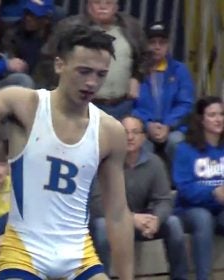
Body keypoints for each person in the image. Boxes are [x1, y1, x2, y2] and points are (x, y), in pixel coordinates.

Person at [0, 22, 134, 280]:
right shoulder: (25, 104)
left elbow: (117, 214)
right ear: (60, 65)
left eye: (100, 75)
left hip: (79, 256)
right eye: (84, 71)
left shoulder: (110, 131)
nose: (92, 82)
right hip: (24, 254)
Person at [90, 116, 188, 279]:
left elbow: (164, 199)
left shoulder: (154, 163)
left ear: (143, 137)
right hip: (115, 223)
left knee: (174, 223)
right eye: (124, 132)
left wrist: (156, 219)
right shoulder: (105, 162)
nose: (129, 137)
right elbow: (97, 203)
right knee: (100, 226)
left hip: (143, 223)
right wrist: (130, 218)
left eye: (135, 132)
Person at [41, 0, 148, 119]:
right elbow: (48, 59)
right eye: (97, 2)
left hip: (122, 105)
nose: (103, 7)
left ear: (117, 6)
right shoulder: (70, 26)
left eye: (108, 3)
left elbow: (145, 56)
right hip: (82, 104)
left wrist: (137, 77)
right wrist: (64, 86)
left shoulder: (131, 26)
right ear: (88, 6)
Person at [172, 96, 224, 280]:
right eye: (212, 115)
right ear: (201, 119)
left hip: (220, 210)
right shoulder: (185, 149)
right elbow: (184, 188)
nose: (218, 119)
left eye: (221, 114)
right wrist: (213, 193)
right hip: (189, 210)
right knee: (203, 218)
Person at [133, 21, 194, 161]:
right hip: (143, 128)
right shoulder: (136, 71)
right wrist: (147, 124)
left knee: (177, 143)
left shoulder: (179, 70)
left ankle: (178, 183)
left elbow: (186, 103)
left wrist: (168, 124)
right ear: (145, 45)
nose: (157, 47)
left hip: (174, 128)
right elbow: (131, 104)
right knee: (139, 145)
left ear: (168, 46)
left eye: (162, 42)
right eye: (152, 42)